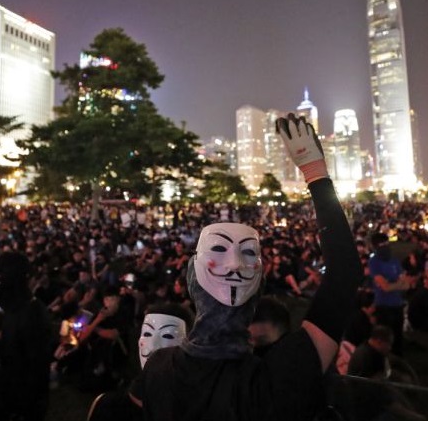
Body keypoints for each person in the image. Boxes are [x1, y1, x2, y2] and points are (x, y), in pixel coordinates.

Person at [128, 113, 362, 421]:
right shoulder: (286, 372)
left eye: (248, 253)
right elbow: (345, 275)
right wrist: (315, 173)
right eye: (220, 249)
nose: (235, 264)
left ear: (190, 278)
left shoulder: (158, 368)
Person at [0, 252, 53, 421]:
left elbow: (36, 370)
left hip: (21, 399)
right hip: (8, 384)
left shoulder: (32, 314)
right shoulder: (15, 308)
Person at [369, 233, 410, 355]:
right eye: (382, 244)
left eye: (387, 244)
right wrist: (397, 284)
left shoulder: (394, 260)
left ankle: (398, 359)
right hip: (383, 305)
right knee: (384, 336)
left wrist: (392, 284)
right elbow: (385, 287)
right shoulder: (374, 262)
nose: (386, 247)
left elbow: (406, 284)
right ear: (376, 246)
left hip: (397, 303)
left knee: (398, 335)